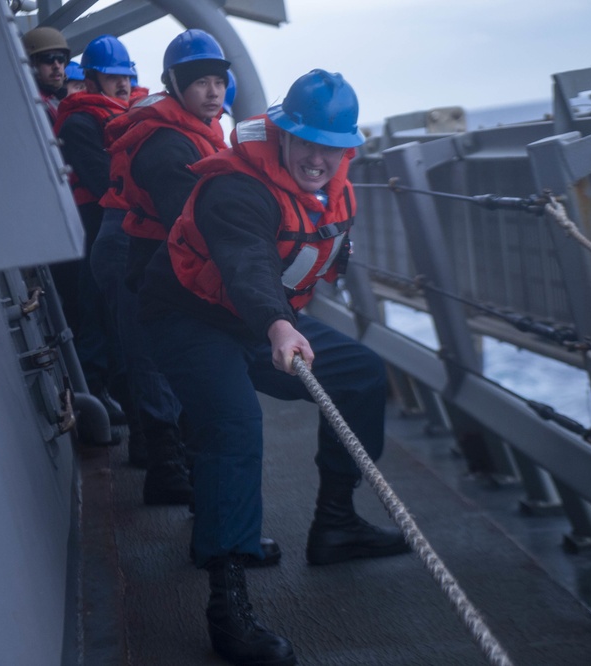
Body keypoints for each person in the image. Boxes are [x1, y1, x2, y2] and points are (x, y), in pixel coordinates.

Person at [138, 69, 412, 665]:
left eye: (332, 147)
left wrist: (276, 322)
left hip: (260, 321)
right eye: (307, 142)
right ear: (283, 134)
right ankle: (228, 604)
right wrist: (278, 324)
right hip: (192, 317)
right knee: (234, 427)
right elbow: (247, 266)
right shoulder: (235, 188)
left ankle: (336, 524)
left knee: (360, 373)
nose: (318, 158)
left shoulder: (332, 191)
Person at [91, 29, 230, 506]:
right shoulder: (171, 145)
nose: (213, 92)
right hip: (145, 250)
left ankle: (167, 464)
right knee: (150, 357)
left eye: (218, 81)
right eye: (200, 82)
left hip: (144, 243)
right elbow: (188, 219)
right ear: (175, 86)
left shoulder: (195, 131)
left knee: (152, 355)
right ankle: (167, 469)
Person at [51, 34, 137, 441]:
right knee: (93, 310)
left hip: (113, 221)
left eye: (127, 75)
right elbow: (103, 180)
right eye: (112, 76)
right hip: (91, 222)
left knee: (109, 312)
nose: (122, 83)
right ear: (91, 81)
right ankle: (94, 399)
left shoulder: (120, 114)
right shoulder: (81, 121)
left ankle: (109, 393)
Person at [21, 27, 71, 125]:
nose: (56, 66)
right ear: (32, 65)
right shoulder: (31, 105)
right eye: (48, 59)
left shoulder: (58, 101)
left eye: (60, 59)